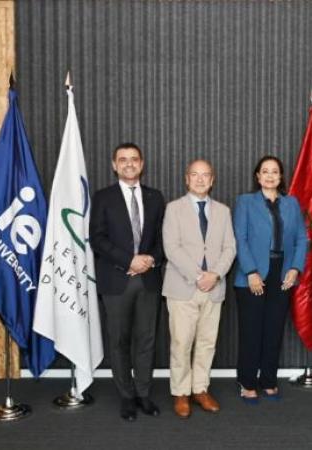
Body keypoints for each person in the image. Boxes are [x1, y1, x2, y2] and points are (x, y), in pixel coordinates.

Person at [90, 142, 165, 422]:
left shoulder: (155, 197)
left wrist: (150, 260)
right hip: (116, 280)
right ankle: (126, 397)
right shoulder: (102, 197)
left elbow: (162, 239)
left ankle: (144, 394)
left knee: (146, 340)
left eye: (134, 159)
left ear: (142, 164)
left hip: (148, 279)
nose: (129, 164)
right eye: (123, 160)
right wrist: (128, 260)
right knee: (119, 341)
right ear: (114, 165)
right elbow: (97, 238)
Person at [162, 159, 236, 418]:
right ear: (187, 179)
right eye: (195, 175)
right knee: (181, 343)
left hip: (213, 288)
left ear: (212, 180)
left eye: (206, 175)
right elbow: (171, 247)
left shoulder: (223, 211)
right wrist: (198, 276)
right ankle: (181, 393)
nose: (200, 179)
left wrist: (214, 275)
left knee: (207, 342)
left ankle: (200, 389)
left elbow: (230, 248)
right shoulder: (173, 209)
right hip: (183, 287)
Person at [233, 155, 308, 403]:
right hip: (252, 274)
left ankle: (268, 380)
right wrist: (251, 271)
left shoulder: (292, 203)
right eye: (264, 171)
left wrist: (295, 268)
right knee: (251, 332)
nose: (269, 175)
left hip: (283, 273)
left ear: (281, 176)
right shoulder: (245, 202)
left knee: (274, 331)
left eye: (274, 171)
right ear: (257, 176)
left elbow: (301, 238)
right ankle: (247, 382)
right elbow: (240, 239)